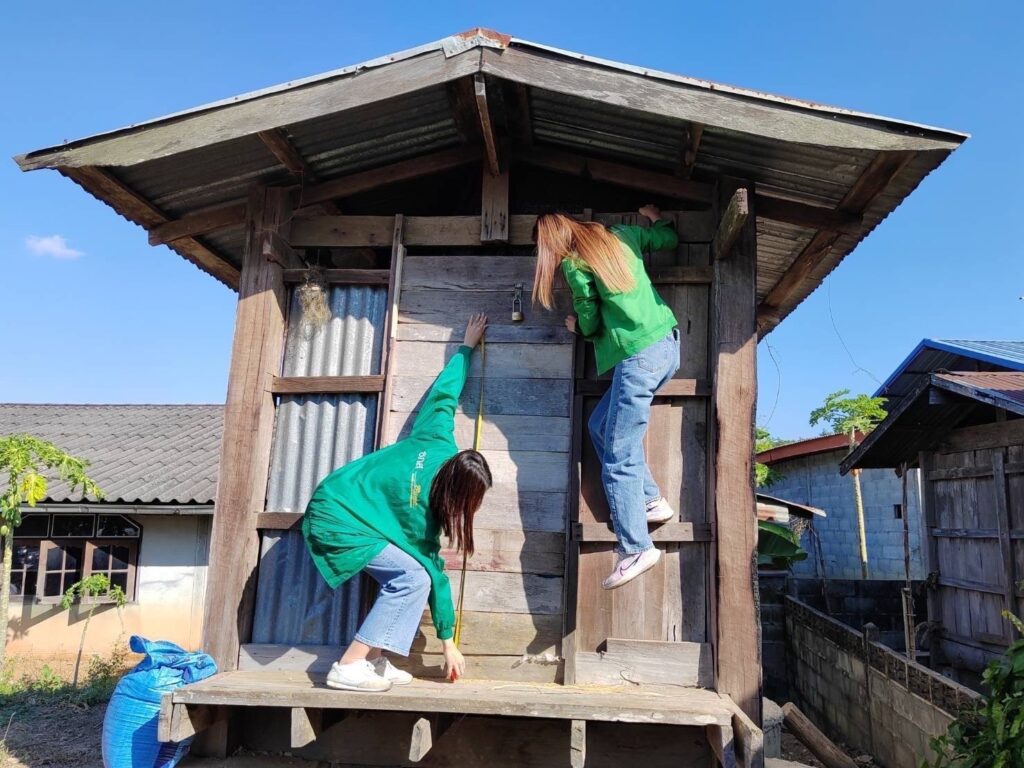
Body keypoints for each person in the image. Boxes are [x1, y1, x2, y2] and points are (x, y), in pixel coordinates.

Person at [302, 314, 492, 691]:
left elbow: (444, 395)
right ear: (458, 493)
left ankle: (374, 661)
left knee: (410, 575)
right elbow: (435, 575)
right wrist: (448, 641)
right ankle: (349, 665)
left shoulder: (438, 440)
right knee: (412, 577)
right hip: (336, 518)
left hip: (341, 497)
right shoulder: (421, 515)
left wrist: (466, 349)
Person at [533, 206, 680, 590]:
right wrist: (655, 218)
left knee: (619, 452)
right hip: (666, 348)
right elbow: (667, 238)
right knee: (599, 425)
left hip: (637, 358)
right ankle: (651, 500)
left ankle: (636, 548)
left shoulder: (574, 263)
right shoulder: (622, 235)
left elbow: (590, 318)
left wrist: (577, 328)